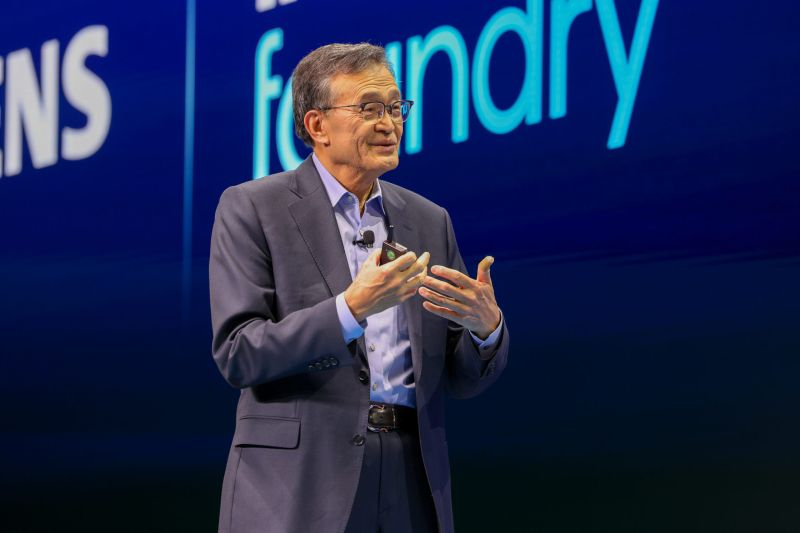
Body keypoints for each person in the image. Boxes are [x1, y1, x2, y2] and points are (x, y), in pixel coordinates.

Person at [209, 42, 509, 533]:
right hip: (299, 481)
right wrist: (350, 309)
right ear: (317, 125)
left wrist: (485, 329)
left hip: (412, 478)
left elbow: (461, 378)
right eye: (369, 109)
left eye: (395, 107)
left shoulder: (429, 220)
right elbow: (240, 352)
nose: (389, 124)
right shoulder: (253, 208)